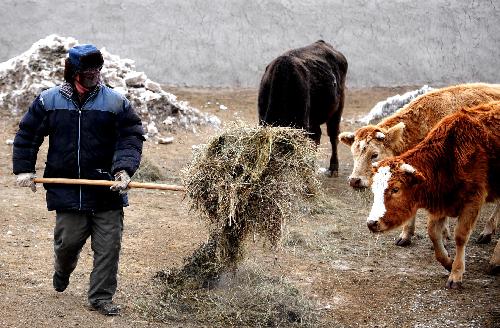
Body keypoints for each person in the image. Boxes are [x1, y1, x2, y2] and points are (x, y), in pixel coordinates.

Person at [12, 44, 145, 316]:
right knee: (67, 244)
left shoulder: (115, 103)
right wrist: (24, 169)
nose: (94, 74)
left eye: (97, 69)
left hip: (106, 190)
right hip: (68, 189)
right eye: (87, 70)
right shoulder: (49, 101)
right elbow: (28, 134)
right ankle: (62, 270)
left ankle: (101, 297)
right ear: (73, 71)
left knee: (108, 248)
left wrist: (123, 169)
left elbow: (130, 136)